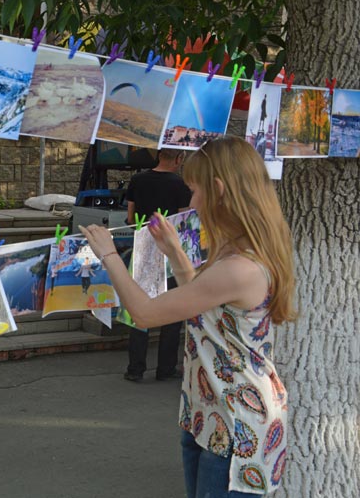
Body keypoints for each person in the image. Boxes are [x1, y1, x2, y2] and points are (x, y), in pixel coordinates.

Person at [79, 136, 296, 497]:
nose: (190, 202)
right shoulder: (238, 250)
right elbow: (204, 306)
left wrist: (109, 256)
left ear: (219, 190)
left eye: (194, 191)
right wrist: (177, 254)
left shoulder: (240, 266)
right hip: (209, 415)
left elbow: (146, 314)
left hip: (235, 430)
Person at [124, 147, 192, 382]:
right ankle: (166, 369)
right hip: (169, 253)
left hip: (143, 248)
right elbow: (183, 222)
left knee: (139, 307)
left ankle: (135, 369)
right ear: (179, 158)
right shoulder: (181, 185)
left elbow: (131, 217)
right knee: (172, 312)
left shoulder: (138, 180)